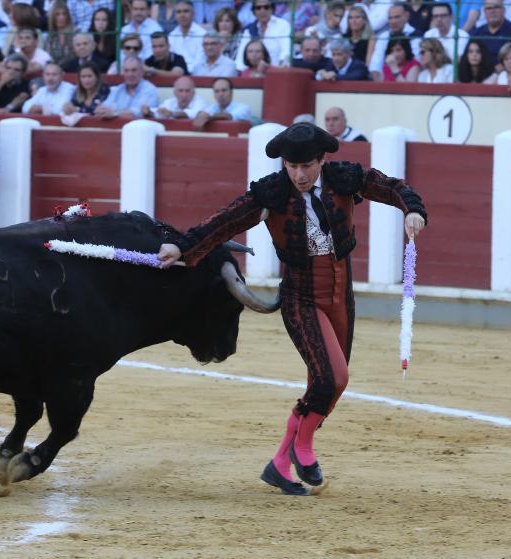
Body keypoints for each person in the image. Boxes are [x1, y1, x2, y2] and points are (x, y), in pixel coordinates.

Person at [156, 122, 427, 496]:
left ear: (321, 160)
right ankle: (303, 448)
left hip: (340, 294)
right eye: (291, 166)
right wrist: (182, 248)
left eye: (307, 166)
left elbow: (392, 186)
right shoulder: (272, 193)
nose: (299, 175)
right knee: (334, 378)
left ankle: (281, 464)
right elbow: (224, 221)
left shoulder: (344, 178)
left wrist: (412, 210)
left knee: (327, 384)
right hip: (300, 296)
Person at [367, 2, 420, 81]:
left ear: (406, 16)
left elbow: (416, 61)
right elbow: (375, 65)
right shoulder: (384, 36)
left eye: (396, 17)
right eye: (390, 18)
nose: (393, 21)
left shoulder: (416, 35)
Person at [94, 55, 159, 118]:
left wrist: (115, 113)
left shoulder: (150, 89)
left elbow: (141, 112)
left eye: (134, 70)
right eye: (126, 71)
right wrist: (101, 110)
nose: (130, 74)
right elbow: (105, 106)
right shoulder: (117, 90)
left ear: (141, 72)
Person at [234, 0, 291, 71]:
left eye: (266, 7)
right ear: (254, 11)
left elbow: (286, 51)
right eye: (258, 8)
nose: (262, 10)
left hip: (276, 71)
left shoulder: (283, 25)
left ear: (272, 9)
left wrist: (279, 69)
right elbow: (240, 57)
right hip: (252, 73)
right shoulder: (249, 29)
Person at [168, 0, 207, 71]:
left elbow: (200, 63)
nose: (182, 15)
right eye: (178, 12)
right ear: (175, 16)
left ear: (193, 14)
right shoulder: (171, 36)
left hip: (196, 75)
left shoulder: (202, 35)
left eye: (186, 11)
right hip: (175, 75)